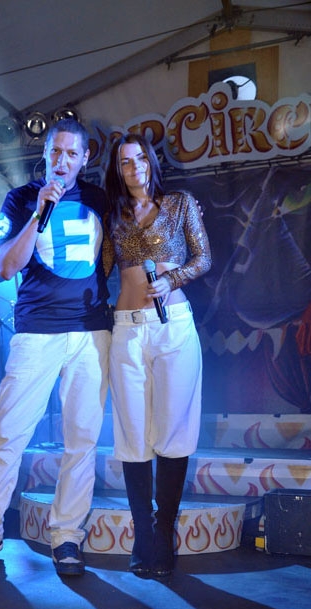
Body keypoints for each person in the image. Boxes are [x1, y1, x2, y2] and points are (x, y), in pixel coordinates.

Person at [0, 118, 111, 576]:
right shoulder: (20, 198)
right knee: (9, 433)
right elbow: (6, 266)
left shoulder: (99, 200)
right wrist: (39, 212)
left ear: (84, 158)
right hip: (36, 331)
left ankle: (67, 536)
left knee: (82, 440)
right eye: (56, 152)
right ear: (46, 153)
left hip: (91, 332)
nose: (63, 161)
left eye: (72, 154)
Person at [103, 133, 211, 578]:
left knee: (173, 429)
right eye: (125, 162)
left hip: (173, 328)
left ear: (151, 161)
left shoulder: (181, 204)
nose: (134, 168)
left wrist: (173, 279)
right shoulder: (112, 214)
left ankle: (163, 530)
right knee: (133, 434)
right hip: (127, 331)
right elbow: (99, 268)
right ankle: (142, 534)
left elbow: (203, 258)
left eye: (140, 159)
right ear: (118, 170)